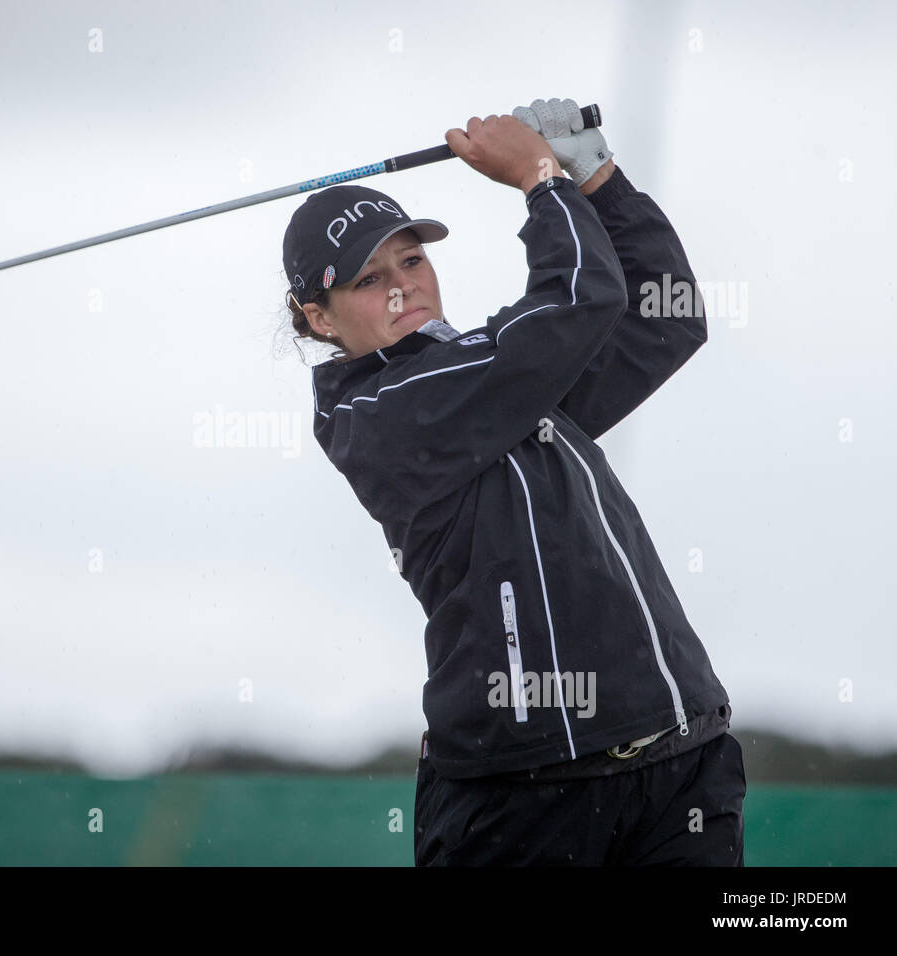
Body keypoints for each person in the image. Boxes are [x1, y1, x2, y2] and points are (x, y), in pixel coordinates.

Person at [279, 99, 746, 866]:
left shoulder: (499, 373)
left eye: (411, 260)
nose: (403, 288)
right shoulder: (377, 413)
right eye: (368, 279)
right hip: (521, 798)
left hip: (680, 763)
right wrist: (539, 179)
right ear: (319, 318)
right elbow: (573, 302)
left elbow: (669, 316)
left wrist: (596, 178)